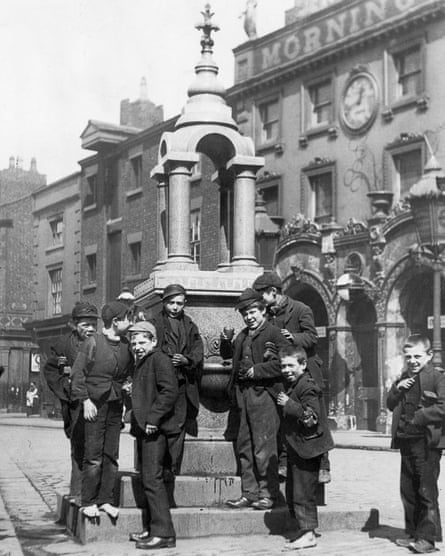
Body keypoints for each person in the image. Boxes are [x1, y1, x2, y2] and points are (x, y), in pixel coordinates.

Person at [252, 271, 331, 484]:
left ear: (273, 292)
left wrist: (293, 337)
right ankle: (285, 461)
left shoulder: (301, 309)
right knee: (285, 416)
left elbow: (312, 337)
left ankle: (324, 465)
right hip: (284, 372)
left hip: (306, 370)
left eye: (262, 296)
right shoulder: (268, 315)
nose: (260, 301)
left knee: (317, 416)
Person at [221, 287, 290, 510]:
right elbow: (231, 358)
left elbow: (286, 363)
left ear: (263, 311)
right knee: (245, 445)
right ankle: (249, 493)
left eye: (252, 312)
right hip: (243, 395)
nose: (249, 317)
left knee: (264, 446)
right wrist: (226, 343)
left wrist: (257, 371)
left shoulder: (274, 334)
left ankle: (268, 494)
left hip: (265, 395)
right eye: (245, 314)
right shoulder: (242, 335)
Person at [70, 301, 133, 519]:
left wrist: (127, 387)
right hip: (95, 405)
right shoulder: (92, 342)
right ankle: (88, 501)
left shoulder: (126, 345)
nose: (131, 322)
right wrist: (86, 401)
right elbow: (77, 375)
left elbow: (127, 374)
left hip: (115, 404)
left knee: (111, 454)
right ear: (116, 322)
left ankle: (106, 500)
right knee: (93, 456)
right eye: (128, 318)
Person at [387, 334, 445, 554]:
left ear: (429, 355)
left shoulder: (437, 378)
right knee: (408, 489)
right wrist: (397, 388)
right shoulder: (403, 377)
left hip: (427, 443)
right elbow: (390, 404)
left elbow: (443, 407)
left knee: (426, 490)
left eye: (417, 356)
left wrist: (421, 417)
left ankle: (428, 539)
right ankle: (413, 533)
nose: (412, 360)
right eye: (408, 356)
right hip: (406, 440)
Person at [276, 345, 334, 550]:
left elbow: (311, 418)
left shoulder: (307, 386)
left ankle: (309, 534)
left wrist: (289, 404)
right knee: (295, 490)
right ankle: (304, 530)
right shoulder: (295, 384)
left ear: (303, 364)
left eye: (291, 365)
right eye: (283, 366)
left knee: (303, 492)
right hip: (299, 448)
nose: (286, 370)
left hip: (308, 449)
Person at [127, 320, 178, 551]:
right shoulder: (144, 362)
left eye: (142, 342)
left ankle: (164, 534)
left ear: (154, 341)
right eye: (134, 342)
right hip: (144, 429)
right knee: (147, 479)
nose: (137, 346)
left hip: (154, 430)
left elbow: (169, 392)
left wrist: (153, 419)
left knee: (152, 479)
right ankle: (150, 528)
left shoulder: (159, 359)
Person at [43, 302, 98, 499]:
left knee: (97, 448)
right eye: (85, 324)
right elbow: (50, 371)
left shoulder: (101, 342)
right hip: (74, 404)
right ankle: (77, 492)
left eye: (93, 324)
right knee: (78, 446)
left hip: (98, 403)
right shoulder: (62, 346)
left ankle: (95, 493)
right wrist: (67, 389)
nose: (90, 328)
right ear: (74, 325)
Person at [150, 284, 203, 479]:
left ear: (184, 304)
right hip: (160, 385)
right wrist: (165, 360)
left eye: (179, 303)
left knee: (178, 424)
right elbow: (147, 350)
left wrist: (187, 359)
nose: (175, 307)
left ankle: (171, 467)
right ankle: (155, 466)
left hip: (181, 383)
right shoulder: (154, 323)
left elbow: (198, 350)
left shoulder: (189, 324)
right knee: (159, 422)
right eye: (171, 303)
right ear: (164, 302)